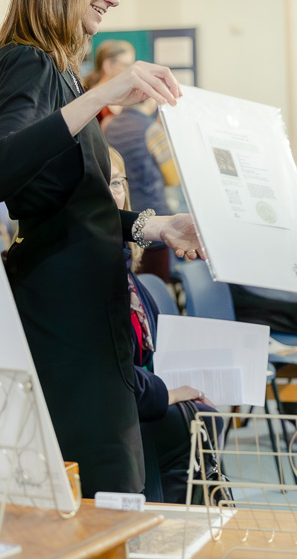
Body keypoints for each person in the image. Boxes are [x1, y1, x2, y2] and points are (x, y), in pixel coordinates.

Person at [0, 0, 202, 498]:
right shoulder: (27, 61)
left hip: (89, 315)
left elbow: (71, 207)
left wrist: (156, 225)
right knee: (105, 495)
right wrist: (105, 93)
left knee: (117, 490)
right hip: (66, 324)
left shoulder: (62, 75)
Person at [107, 148, 215, 503]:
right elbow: (111, 369)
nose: (111, 194)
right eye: (100, 184)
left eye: (117, 183)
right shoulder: (92, 275)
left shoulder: (126, 272)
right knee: (191, 420)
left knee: (203, 412)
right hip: (115, 409)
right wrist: (167, 394)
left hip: (137, 392)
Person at [94, 39, 176, 280]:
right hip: (153, 217)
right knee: (155, 285)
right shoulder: (152, 130)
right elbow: (172, 178)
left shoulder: (109, 125)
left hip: (124, 217)